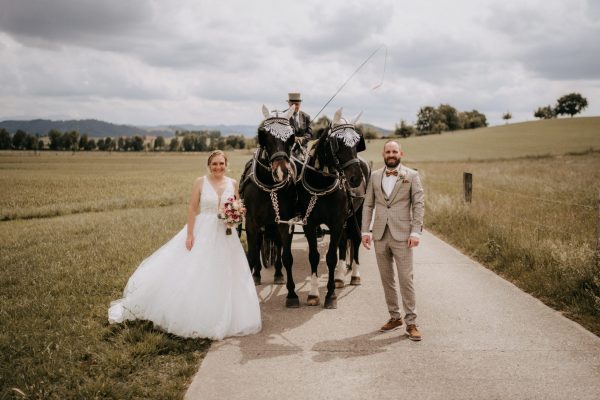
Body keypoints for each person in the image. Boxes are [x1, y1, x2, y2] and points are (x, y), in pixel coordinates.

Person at [108, 150, 262, 340]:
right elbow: (192, 207)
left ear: (226, 164)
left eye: (221, 163)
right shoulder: (200, 182)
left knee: (227, 270)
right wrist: (189, 234)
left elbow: (237, 205)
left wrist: (235, 216)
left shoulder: (232, 183)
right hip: (203, 229)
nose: (218, 167)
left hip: (225, 233)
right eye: (214, 164)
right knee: (198, 268)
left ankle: (225, 312)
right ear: (209, 165)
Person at [361, 140, 424, 341]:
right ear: (383, 154)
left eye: (394, 151)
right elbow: (368, 205)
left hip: (403, 235)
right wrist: (365, 230)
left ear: (401, 154)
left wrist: (416, 232)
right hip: (380, 234)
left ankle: (411, 322)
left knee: (406, 279)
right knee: (386, 279)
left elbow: (419, 204)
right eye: (388, 151)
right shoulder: (374, 176)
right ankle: (394, 317)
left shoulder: (411, 176)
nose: (391, 154)